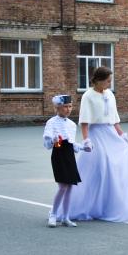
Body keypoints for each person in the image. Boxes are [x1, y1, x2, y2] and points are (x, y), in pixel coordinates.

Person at [58, 67, 128, 222]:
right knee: (101, 167)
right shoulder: (88, 96)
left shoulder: (110, 95)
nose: (110, 83)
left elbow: (114, 119)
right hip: (96, 134)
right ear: (99, 80)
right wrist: (86, 140)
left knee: (115, 168)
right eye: (108, 80)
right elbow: (85, 121)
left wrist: (122, 135)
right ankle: (80, 206)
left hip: (111, 134)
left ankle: (112, 205)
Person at [43, 95, 89, 228]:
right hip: (58, 154)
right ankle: (53, 214)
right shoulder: (51, 122)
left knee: (69, 187)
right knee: (63, 186)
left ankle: (65, 217)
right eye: (65, 107)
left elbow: (72, 144)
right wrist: (53, 140)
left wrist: (83, 147)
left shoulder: (72, 125)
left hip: (69, 156)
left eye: (70, 106)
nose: (68, 109)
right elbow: (47, 144)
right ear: (58, 107)